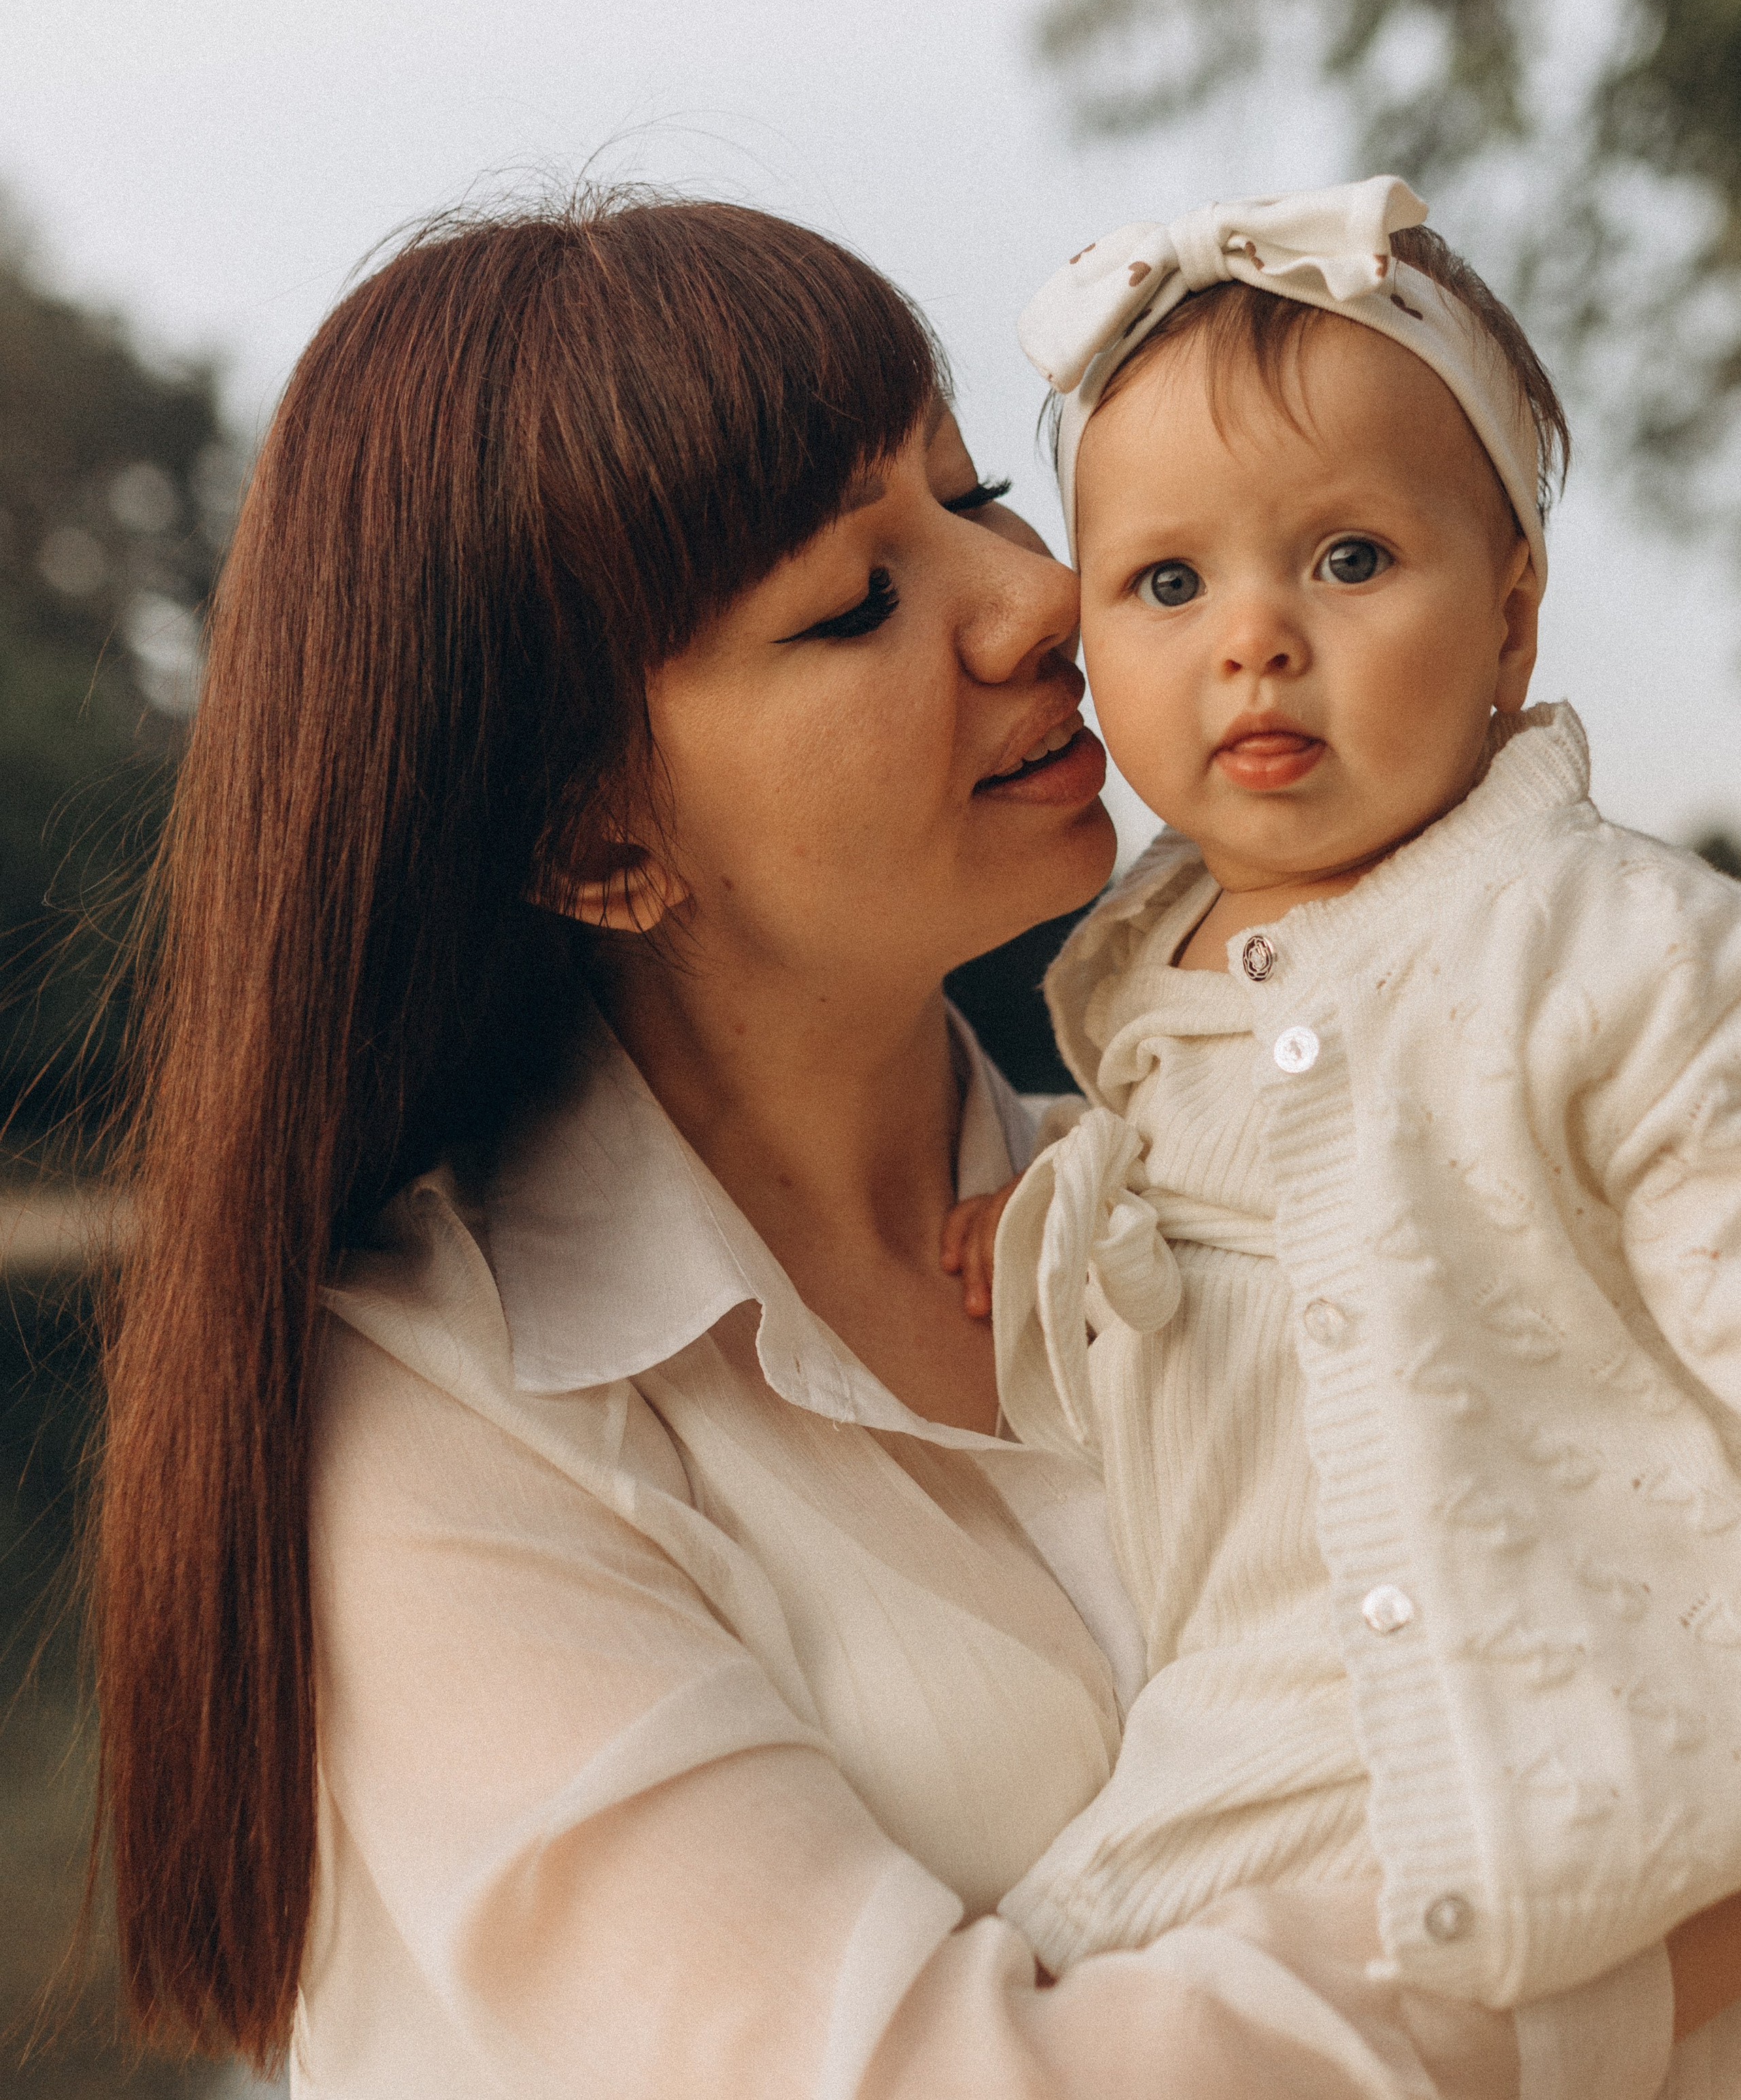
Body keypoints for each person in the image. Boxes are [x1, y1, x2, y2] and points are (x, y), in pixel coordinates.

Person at [92, 188, 1727, 2100]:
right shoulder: (439, 1424)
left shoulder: (1214, 1182)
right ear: (597, 843)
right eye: (858, 598)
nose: (1040, 599)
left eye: (975, 495)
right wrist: (1640, 1921)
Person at [944, 177, 1741, 2094]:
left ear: (1515, 611)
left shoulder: (1619, 952)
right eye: (1166, 584)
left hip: (1583, 1752)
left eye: (1353, 560)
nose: (1256, 642)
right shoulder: (1132, 1015)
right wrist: (1059, 1224)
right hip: (1239, 1771)